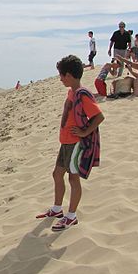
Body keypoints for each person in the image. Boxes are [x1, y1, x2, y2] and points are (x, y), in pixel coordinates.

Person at [35, 55, 105, 231]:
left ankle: (71, 216)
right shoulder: (72, 92)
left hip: (76, 144)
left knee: (73, 179)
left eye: (61, 75)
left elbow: (99, 116)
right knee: (57, 174)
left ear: (70, 75)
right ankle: (57, 209)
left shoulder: (82, 94)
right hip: (65, 142)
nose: (60, 78)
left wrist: (84, 132)